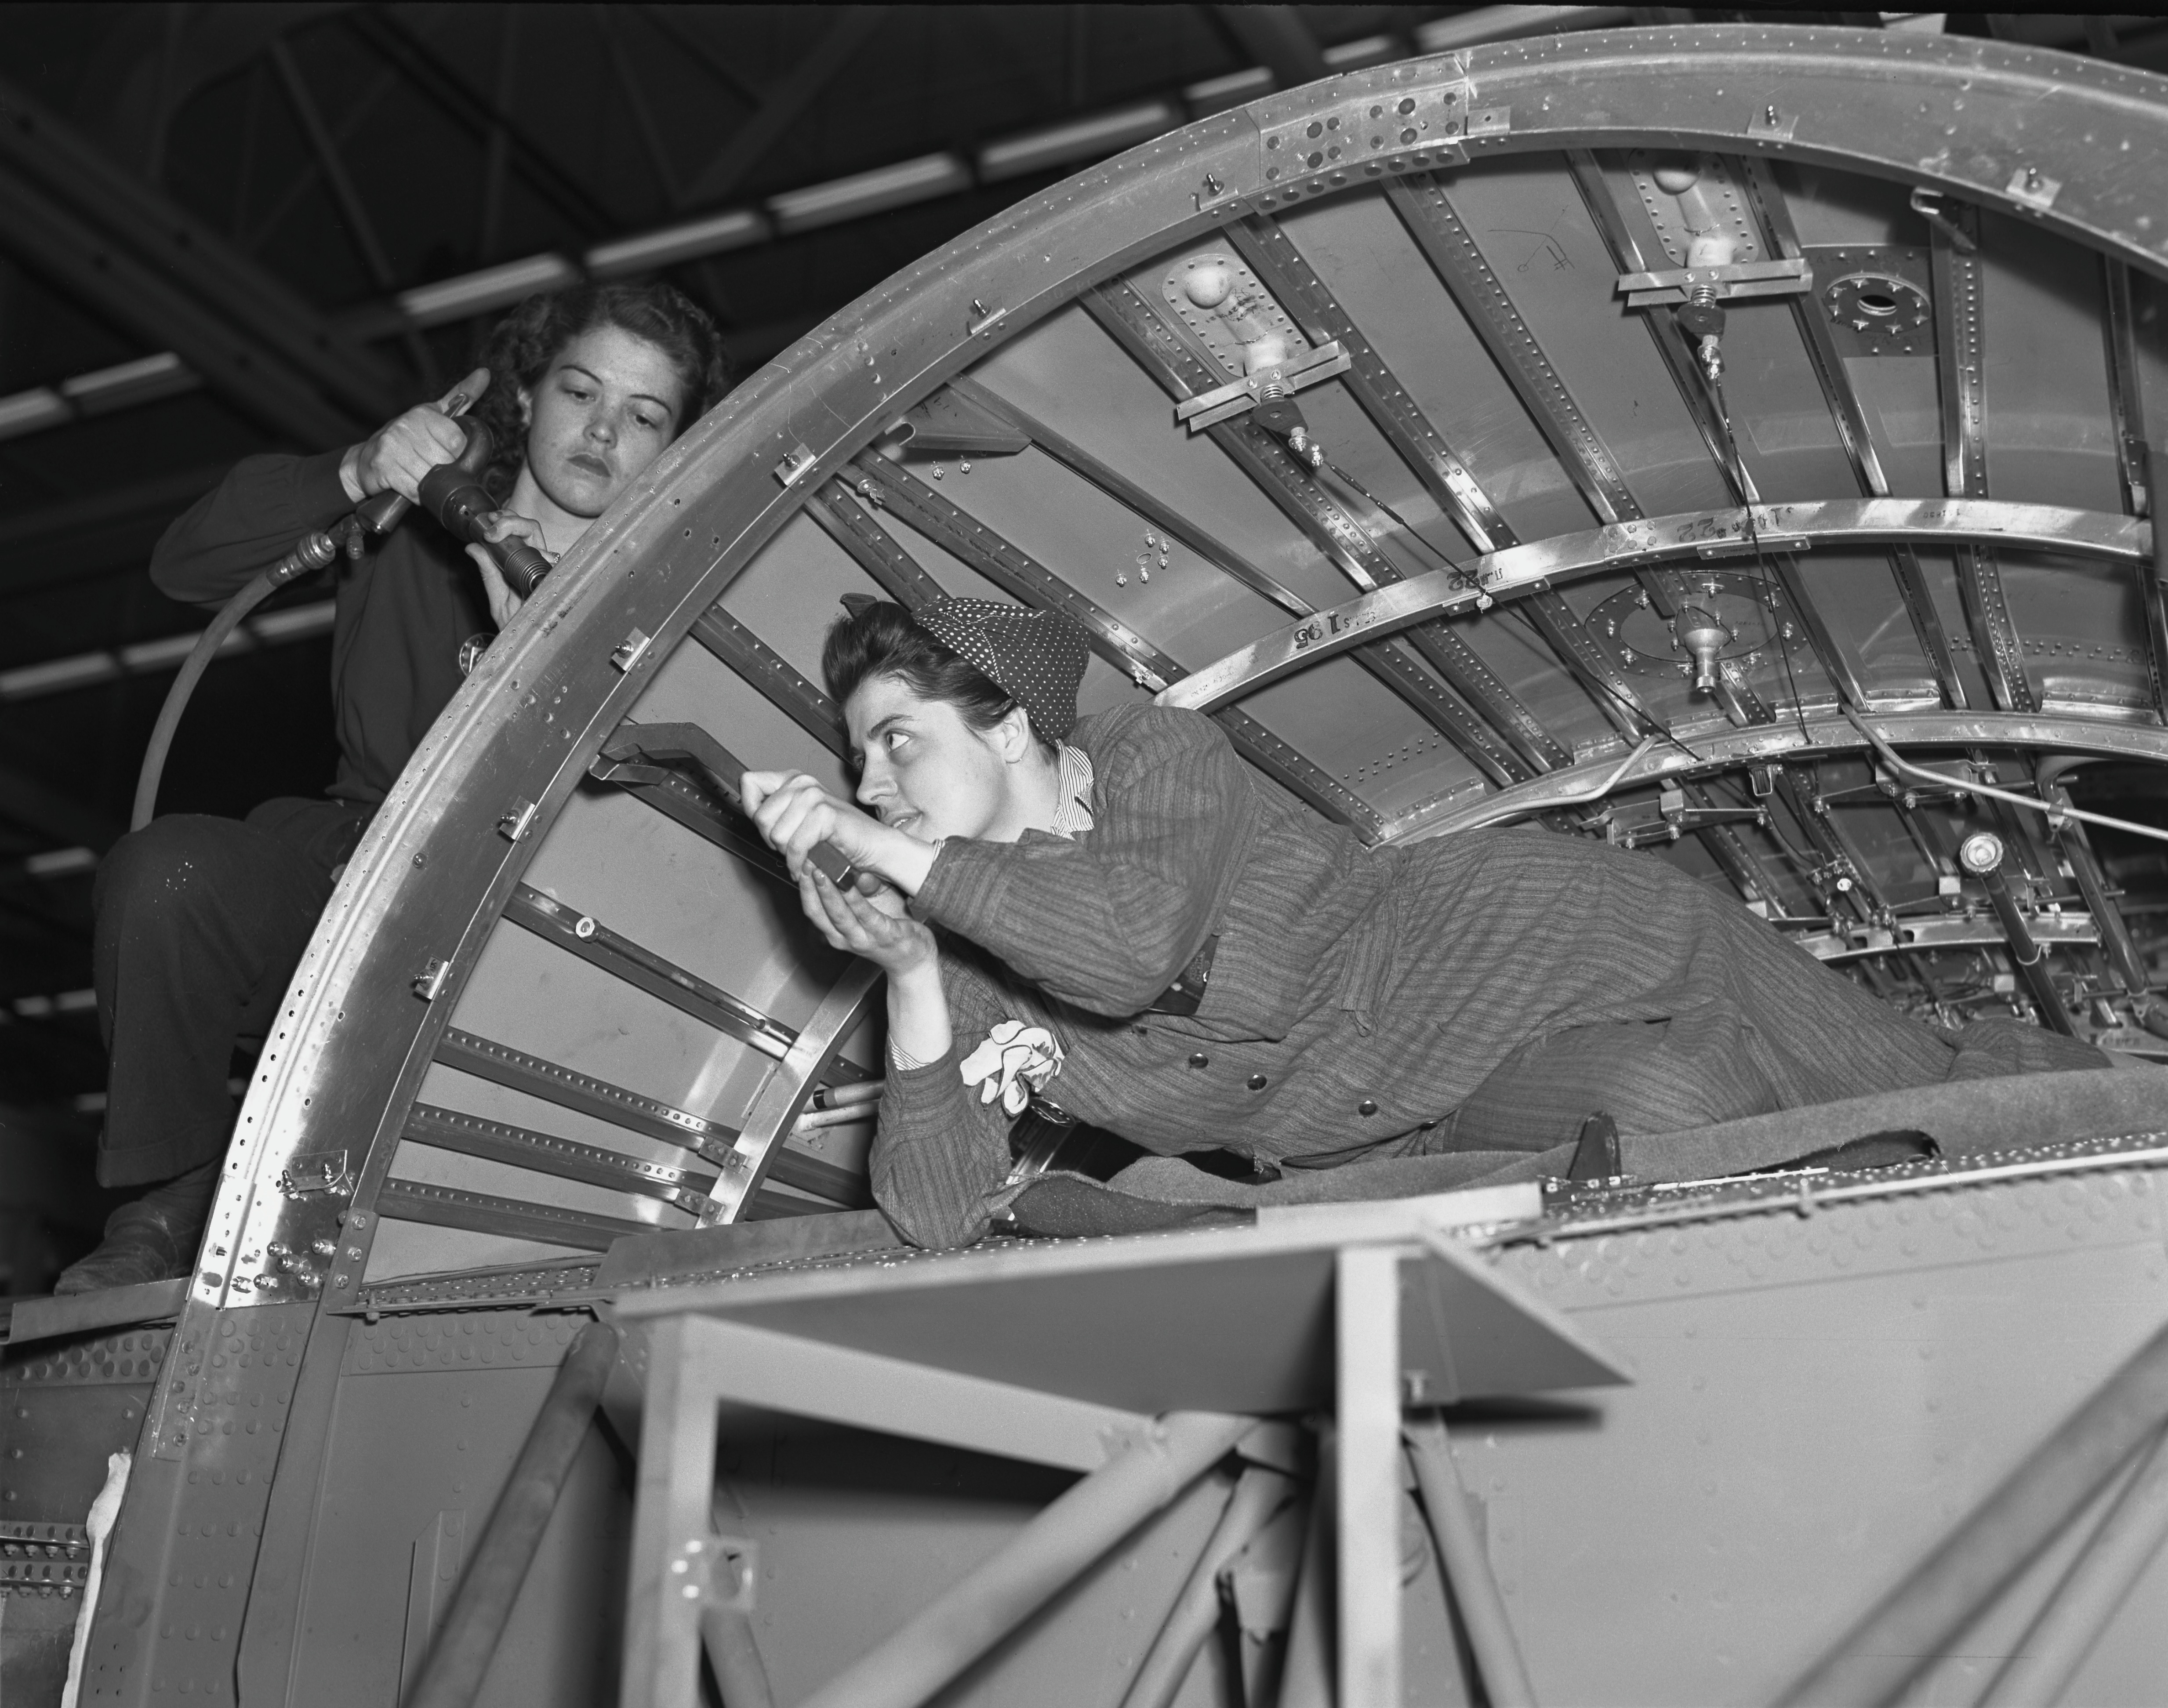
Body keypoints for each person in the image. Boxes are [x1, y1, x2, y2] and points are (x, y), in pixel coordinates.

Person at [745, 597, 2114, 1250]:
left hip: (1554, 951)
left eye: (898, 745)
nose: (872, 788)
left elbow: (1127, 943)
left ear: (1011, 726)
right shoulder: (965, 944)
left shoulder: (1153, 759)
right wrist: (914, 975)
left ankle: (2126, 1130)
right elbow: (930, 1214)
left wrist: (879, 853)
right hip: (1423, 1124)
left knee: (1940, 1101)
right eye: (858, 764)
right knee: (1677, 1107)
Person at [61, 282, 730, 1294]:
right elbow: (185, 568)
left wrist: (556, 663)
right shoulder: (412, 516)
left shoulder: (677, 609)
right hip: (348, 864)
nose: (602, 432)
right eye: (580, 392)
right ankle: (176, 1198)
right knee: (170, 874)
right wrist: (357, 467)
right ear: (524, 395)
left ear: (678, 446)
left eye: (643, 417)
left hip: (529, 923)